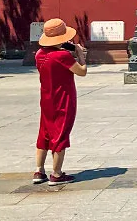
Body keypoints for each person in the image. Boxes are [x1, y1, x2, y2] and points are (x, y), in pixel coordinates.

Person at [34, 18, 87, 186]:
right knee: (60, 134)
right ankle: (56, 174)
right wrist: (80, 54)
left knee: (44, 133)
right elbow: (82, 71)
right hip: (63, 99)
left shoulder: (39, 54)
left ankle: (39, 170)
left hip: (46, 99)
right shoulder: (63, 56)